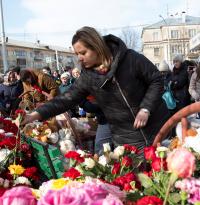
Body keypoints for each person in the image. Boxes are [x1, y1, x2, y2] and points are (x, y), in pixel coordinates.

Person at [22, 26, 169, 150]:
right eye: (77, 54)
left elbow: (156, 80)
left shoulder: (130, 58)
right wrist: (35, 115)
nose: (79, 58)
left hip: (159, 128)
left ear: (97, 46)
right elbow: (66, 99)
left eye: (83, 53)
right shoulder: (88, 77)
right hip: (127, 139)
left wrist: (145, 109)